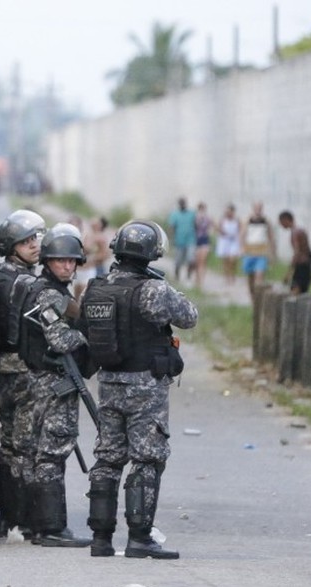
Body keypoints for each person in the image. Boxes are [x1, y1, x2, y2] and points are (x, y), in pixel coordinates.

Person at [81, 219, 197, 560]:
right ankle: (139, 537)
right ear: (152, 253)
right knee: (147, 459)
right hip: (145, 386)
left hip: (109, 383)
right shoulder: (153, 290)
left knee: (108, 459)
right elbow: (189, 316)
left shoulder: (97, 288)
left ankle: (100, 539)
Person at [16, 223, 91, 548]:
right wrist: (89, 335)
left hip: (44, 380)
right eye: (61, 260)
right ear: (47, 261)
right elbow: (59, 339)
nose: (68, 266)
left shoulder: (54, 291)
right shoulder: (47, 293)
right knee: (51, 452)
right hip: (49, 381)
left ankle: (38, 526)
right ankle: (50, 527)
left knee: (40, 453)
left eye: (72, 261)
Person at [0, 209, 45, 538]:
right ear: (11, 247)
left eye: (35, 239)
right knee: (27, 444)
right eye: (26, 241)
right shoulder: (32, 283)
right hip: (27, 369)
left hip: (1, 366)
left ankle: (5, 516)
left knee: (8, 442)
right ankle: (27, 517)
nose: (34, 245)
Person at [240, 201, 275, 301]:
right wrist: (242, 248)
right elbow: (242, 234)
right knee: (250, 276)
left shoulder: (266, 221)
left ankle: (258, 298)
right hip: (250, 251)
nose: (258, 210)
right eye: (256, 208)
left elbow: (271, 236)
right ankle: (252, 296)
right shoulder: (248, 220)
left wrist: (272, 252)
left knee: (259, 275)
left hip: (262, 252)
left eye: (260, 208)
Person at [278, 211, 311, 295]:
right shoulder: (300, 230)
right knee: (303, 291)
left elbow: (297, 252)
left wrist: (288, 273)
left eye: (281, 222)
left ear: (286, 220)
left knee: (295, 291)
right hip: (306, 264)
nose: (280, 225)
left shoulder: (295, 233)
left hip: (301, 265)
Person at [167, 197, 197, 282]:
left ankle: (188, 276)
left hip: (190, 240)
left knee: (191, 259)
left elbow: (195, 226)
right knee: (178, 262)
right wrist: (169, 239)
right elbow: (171, 227)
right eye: (181, 203)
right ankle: (177, 277)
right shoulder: (175, 214)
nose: (183, 205)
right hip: (179, 241)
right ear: (179, 204)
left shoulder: (191, 213)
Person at [215, 204, 241, 285]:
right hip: (224, 241)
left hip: (233, 241)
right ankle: (227, 276)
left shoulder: (237, 220)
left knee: (232, 259)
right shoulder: (223, 220)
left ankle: (232, 274)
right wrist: (222, 231)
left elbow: (240, 229)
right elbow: (218, 228)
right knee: (225, 260)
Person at [194, 203, 212, 289]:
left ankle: (201, 281)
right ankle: (197, 279)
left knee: (203, 261)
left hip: (205, 240)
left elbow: (213, 226)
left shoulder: (207, 218)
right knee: (197, 262)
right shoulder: (195, 218)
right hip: (197, 241)